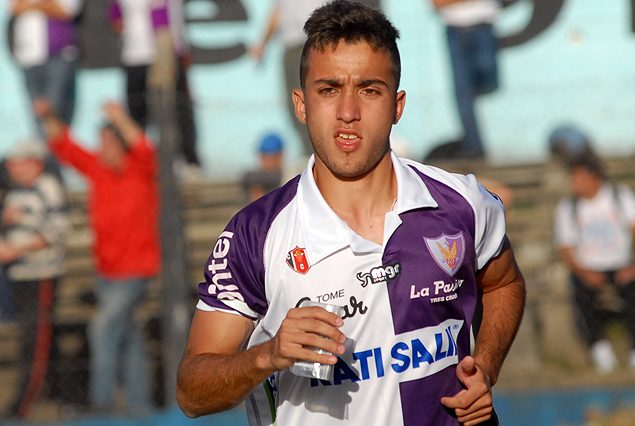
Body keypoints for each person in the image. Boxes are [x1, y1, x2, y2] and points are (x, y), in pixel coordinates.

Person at [177, 2, 525, 426]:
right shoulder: (255, 234)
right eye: (328, 90)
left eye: (369, 90)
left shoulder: (462, 203)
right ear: (301, 104)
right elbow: (192, 392)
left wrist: (485, 365)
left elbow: (504, 283)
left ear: (397, 105)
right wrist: (267, 355)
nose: (347, 112)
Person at [35, 99, 161, 416]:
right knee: (128, 337)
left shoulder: (140, 169)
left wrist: (119, 117)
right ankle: (140, 405)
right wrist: (47, 114)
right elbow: (66, 146)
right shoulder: (98, 169)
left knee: (102, 328)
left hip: (135, 271)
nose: (101, 147)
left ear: (120, 143)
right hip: (106, 272)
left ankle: (101, 404)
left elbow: (143, 145)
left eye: (107, 141)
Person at [0, 139, 68, 419]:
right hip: (19, 275)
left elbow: (57, 231)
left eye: (16, 162)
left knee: (35, 339)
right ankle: (66, 395)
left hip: (40, 274)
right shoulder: (15, 192)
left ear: (34, 163)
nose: (10, 167)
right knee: (40, 337)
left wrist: (17, 247)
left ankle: (21, 406)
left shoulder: (47, 188)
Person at [553, 151, 635, 374]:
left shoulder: (620, 197)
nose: (574, 183)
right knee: (580, 295)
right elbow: (566, 248)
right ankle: (599, 349)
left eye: (578, 177)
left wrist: (632, 266)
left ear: (594, 177)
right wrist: (584, 272)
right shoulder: (568, 207)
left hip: (623, 264)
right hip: (588, 268)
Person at [108, 0, 201, 179]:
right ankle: (139, 165)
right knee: (137, 114)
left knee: (176, 109)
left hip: (165, 53)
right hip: (135, 56)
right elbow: (115, 18)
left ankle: (188, 161)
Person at [249, 0, 327, 158]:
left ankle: (319, 153)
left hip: (313, 42)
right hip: (292, 46)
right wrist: (263, 44)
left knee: (314, 102)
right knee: (297, 104)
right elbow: (278, 13)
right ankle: (311, 152)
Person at [431, 0, 500, 159]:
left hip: (483, 28)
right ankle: (475, 148)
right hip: (454, 31)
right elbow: (437, 3)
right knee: (463, 95)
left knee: (486, 72)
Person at [9, 0, 82, 133]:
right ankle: (45, 144)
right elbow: (15, 8)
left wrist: (33, 5)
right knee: (38, 112)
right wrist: (46, 5)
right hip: (29, 57)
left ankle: (57, 145)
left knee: (55, 109)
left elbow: (67, 11)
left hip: (58, 56)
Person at [241, 133, 284, 203]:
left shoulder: (288, 179)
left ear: (279, 156)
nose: (267, 162)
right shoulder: (255, 178)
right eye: (265, 157)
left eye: (271, 158)